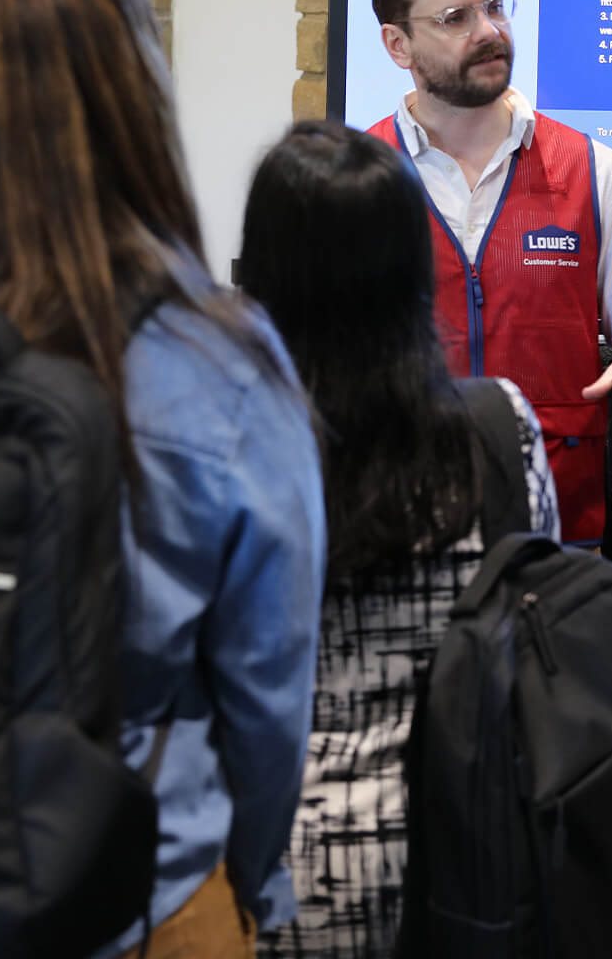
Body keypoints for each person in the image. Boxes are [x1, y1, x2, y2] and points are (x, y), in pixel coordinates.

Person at [0, 0, 325, 959]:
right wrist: (255, 883)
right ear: (134, 87)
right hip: (134, 889)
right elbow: (267, 695)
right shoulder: (219, 367)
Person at [239, 121, 559, 959]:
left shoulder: (222, 444)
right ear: (416, 268)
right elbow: (534, 638)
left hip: (262, 882)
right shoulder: (497, 431)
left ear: (260, 273)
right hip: (465, 872)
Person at [367, 0, 612, 543]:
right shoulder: (357, 177)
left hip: (562, 544)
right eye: (455, 17)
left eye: (493, 7)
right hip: (397, 535)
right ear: (398, 45)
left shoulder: (591, 169)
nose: (489, 31)